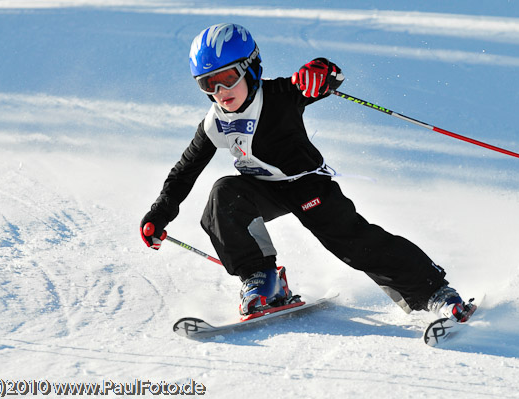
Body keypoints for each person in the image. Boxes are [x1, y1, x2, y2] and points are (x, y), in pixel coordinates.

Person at [140, 23, 475, 321]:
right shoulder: (215, 123)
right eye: (207, 83)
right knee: (223, 195)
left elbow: (325, 79)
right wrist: (159, 213)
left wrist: (321, 72)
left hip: (307, 186)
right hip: (262, 190)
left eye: (227, 78)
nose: (220, 91)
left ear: (251, 68)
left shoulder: (280, 95)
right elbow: (184, 172)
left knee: (352, 243)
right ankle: (263, 281)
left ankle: (435, 294)